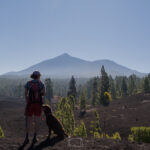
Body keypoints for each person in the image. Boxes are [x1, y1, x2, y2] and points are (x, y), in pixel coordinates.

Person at [24, 71, 45, 144]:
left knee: (28, 121)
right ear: (38, 76)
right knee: (37, 121)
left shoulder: (28, 83)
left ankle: (27, 137)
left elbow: (26, 94)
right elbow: (43, 95)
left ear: (32, 76)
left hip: (30, 104)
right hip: (38, 105)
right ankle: (34, 137)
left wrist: (28, 102)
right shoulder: (41, 84)